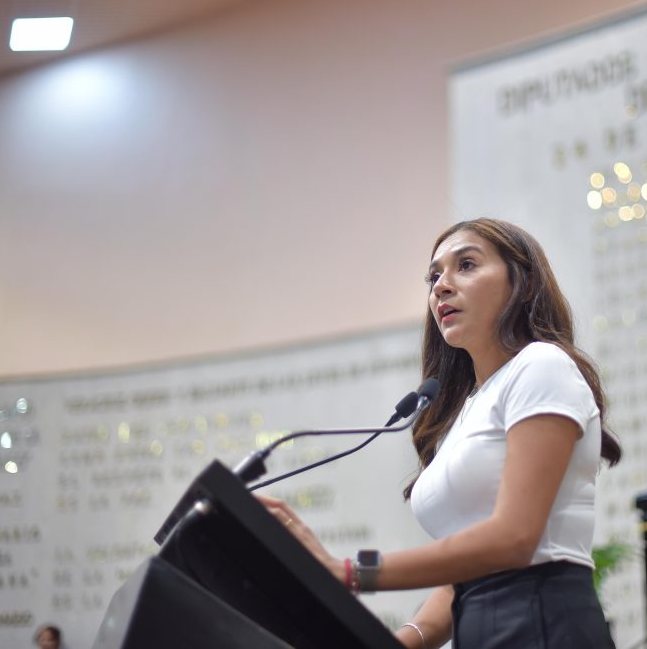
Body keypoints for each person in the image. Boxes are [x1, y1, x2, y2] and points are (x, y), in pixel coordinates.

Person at [259, 218, 621, 648]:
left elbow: (515, 539)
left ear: (523, 284)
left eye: (466, 265)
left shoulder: (541, 365)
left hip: (545, 623)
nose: (442, 287)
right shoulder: (465, 413)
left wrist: (352, 572)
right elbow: (461, 581)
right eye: (433, 277)